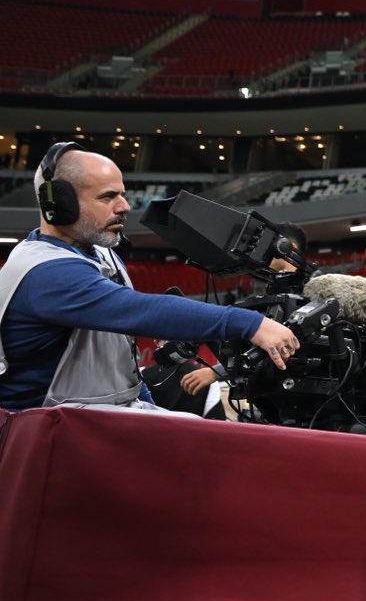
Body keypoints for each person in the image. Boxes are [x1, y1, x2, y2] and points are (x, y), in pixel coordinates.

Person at [0, 145, 295, 411]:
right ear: (60, 205)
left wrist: (147, 408)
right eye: (108, 197)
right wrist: (249, 323)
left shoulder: (100, 253)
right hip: (40, 432)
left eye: (122, 194)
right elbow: (136, 309)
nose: (124, 206)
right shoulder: (46, 273)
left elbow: (122, 372)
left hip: (87, 416)